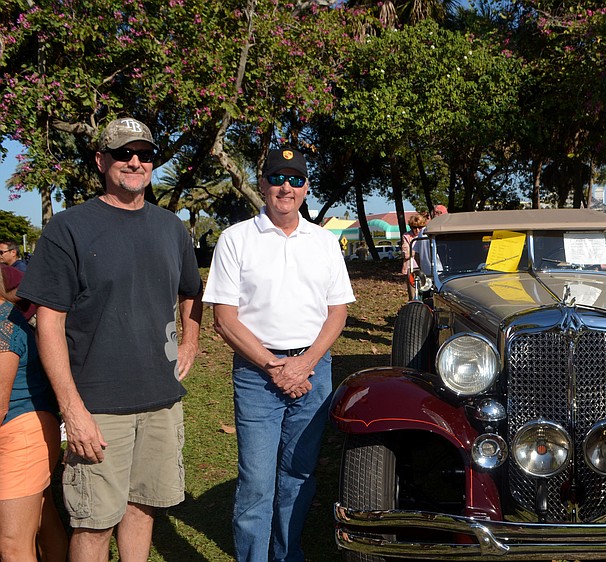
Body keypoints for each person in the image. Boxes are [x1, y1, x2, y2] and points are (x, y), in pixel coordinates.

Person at [17, 117, 204, 562]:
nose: (135, 162)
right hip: (97, 408)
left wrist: (190, 342)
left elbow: (192, 292)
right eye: (123, 153)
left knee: (142, 509)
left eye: (144, 154)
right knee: (94, 522)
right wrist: (73, 410)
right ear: (102, 161)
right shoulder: (68, 229)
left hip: (161, 401)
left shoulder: (171, 228)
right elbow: (49, 324)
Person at [203, 146, 355, 562]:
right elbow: (225, 318)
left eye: (295, 179)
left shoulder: (324, 243)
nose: (285, 187)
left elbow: (337, 311)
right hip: (257, 373)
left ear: (306, 189)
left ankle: (288, 554)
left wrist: (304, 363)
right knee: (256, 481)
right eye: (277, 178)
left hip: (313, 370)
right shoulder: (236, 239)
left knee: (300, 474)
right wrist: (273, 366)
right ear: (262, 184)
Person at [0, 269, 67, 562]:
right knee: (41, 513)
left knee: (12, 545)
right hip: (29, 430)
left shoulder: (3, 326)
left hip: (20, 433)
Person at [401, 213, 428, 300]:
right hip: (412, 267)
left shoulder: (427, 234)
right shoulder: (407, 236)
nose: (417, 230)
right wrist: (416, 252)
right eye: (414, 227)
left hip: (426, 266)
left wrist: (412, 251)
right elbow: (405, 254)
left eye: (419, 227)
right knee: (413, 293)